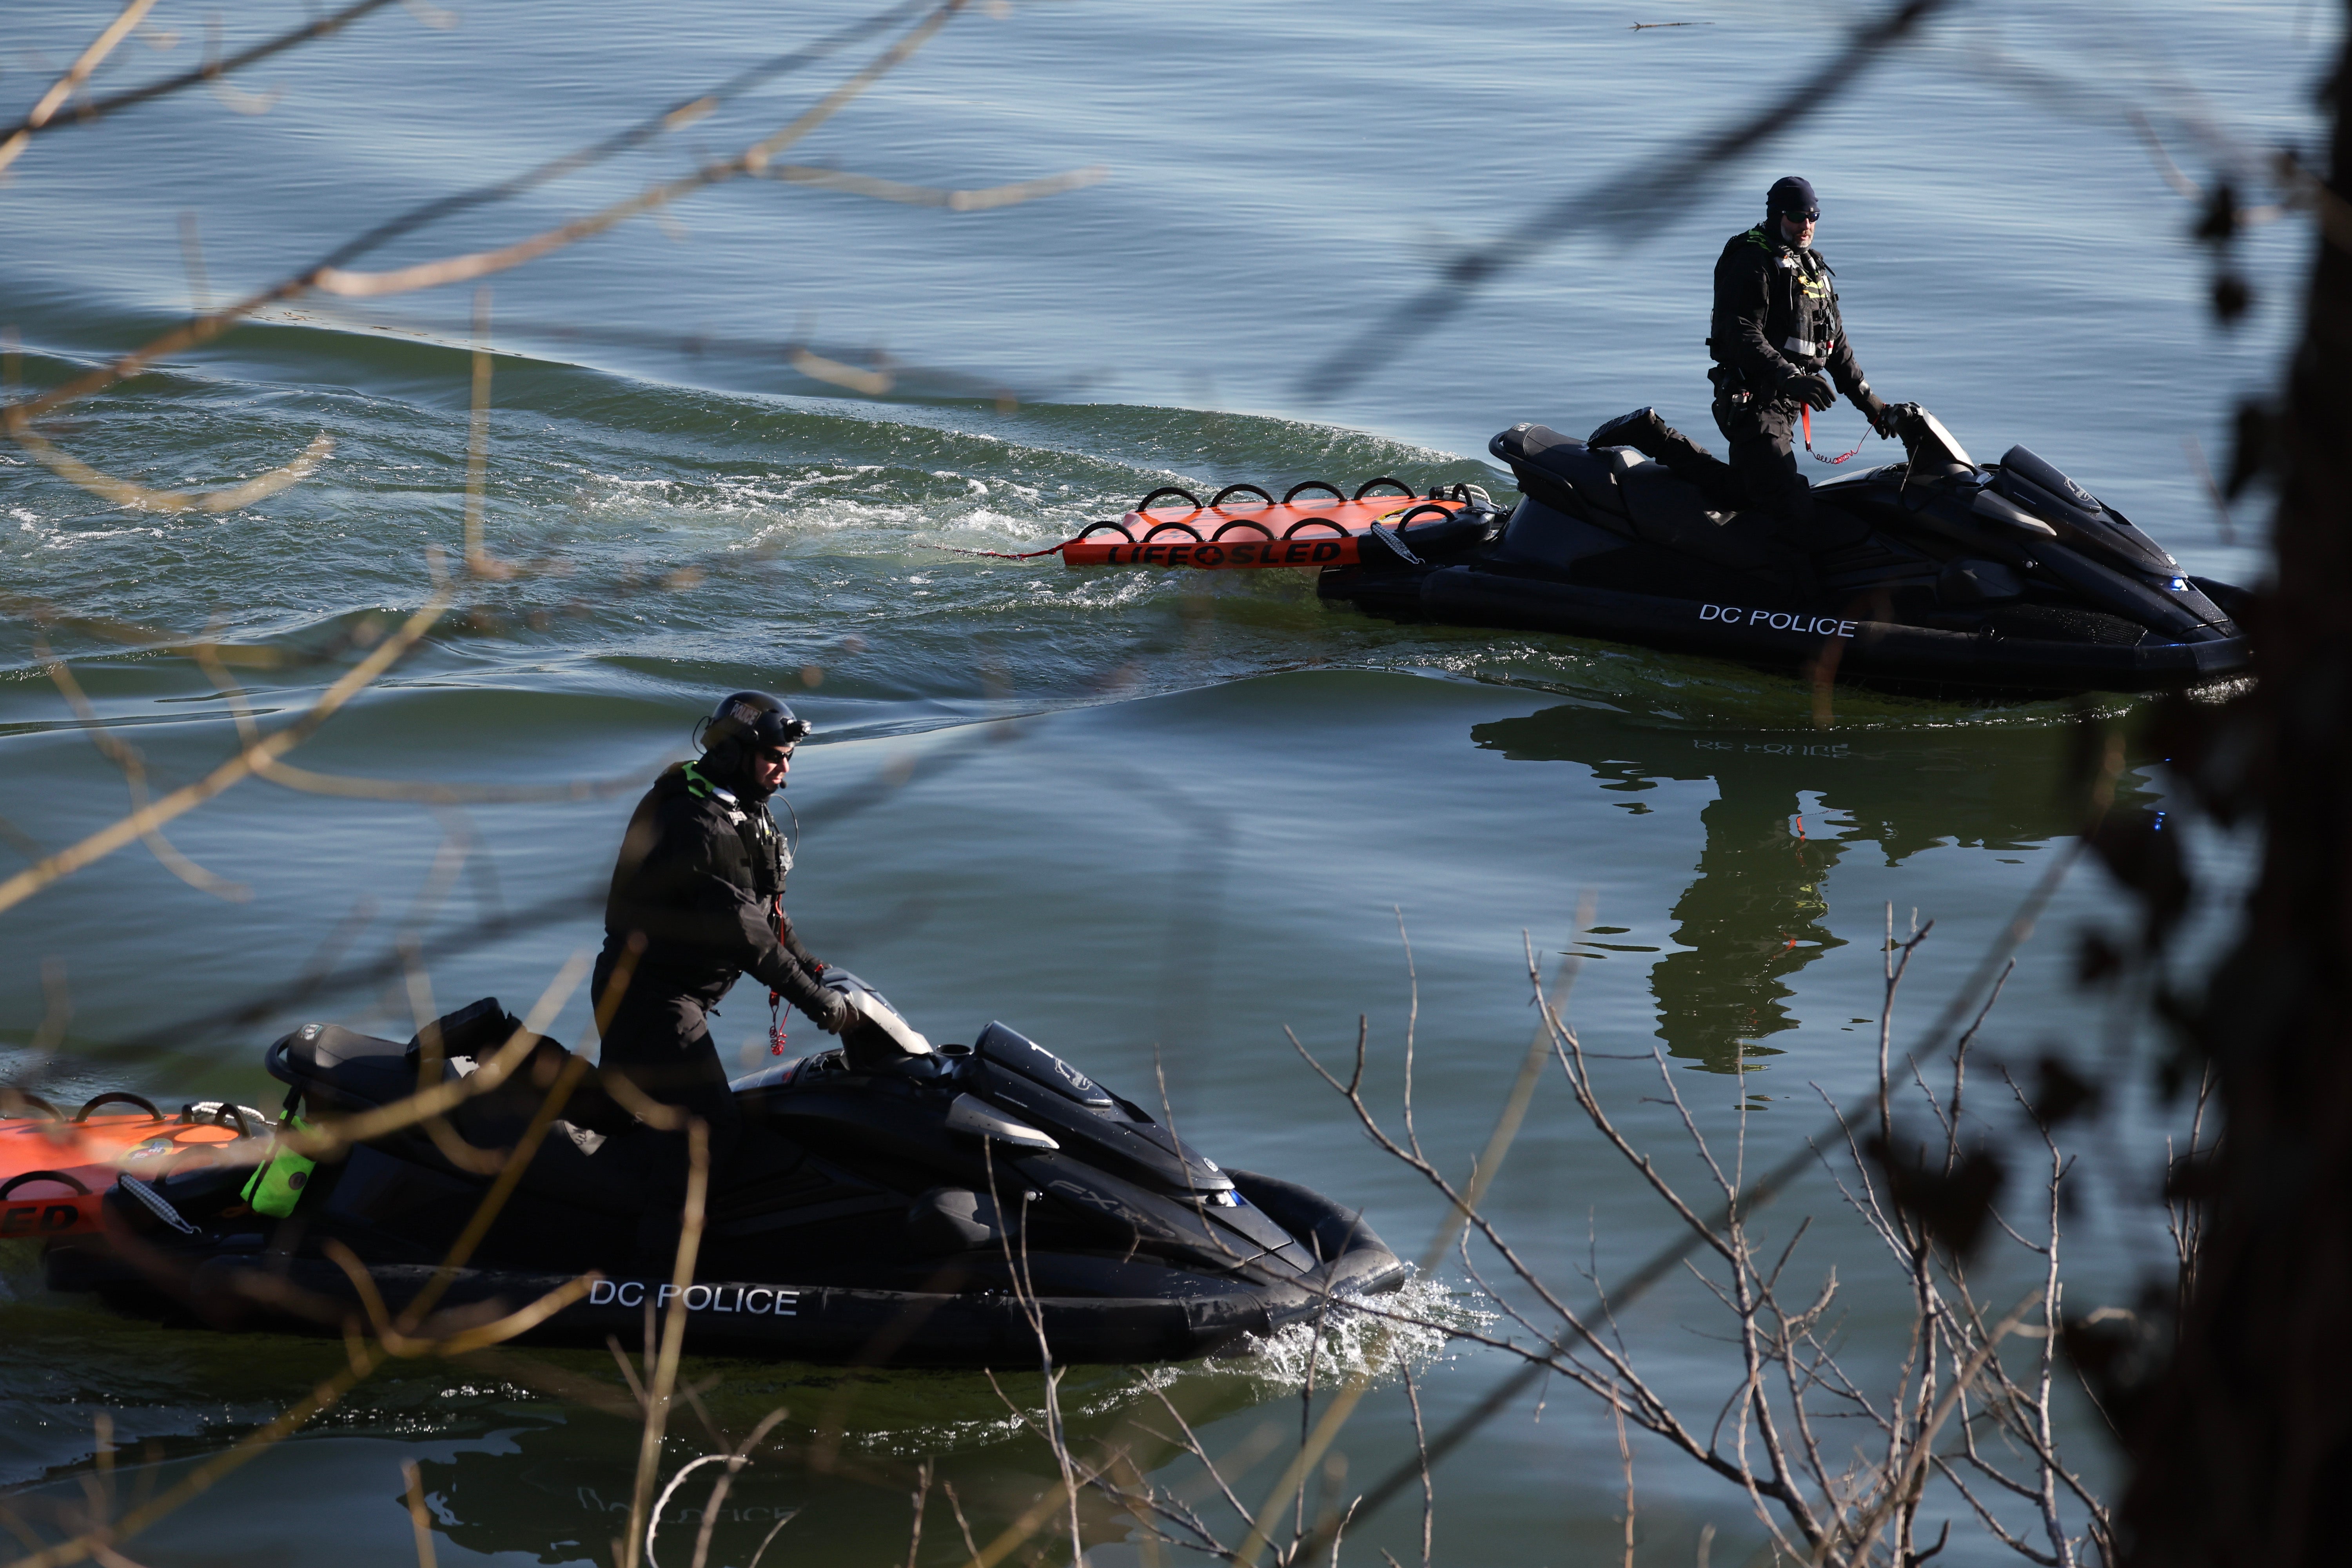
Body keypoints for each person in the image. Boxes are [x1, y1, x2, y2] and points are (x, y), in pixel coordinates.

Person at [593, 690, 855, 1263]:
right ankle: (659, 1267)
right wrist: (816, 1002)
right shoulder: (696, 824)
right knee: (708, 1125)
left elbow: (769, 919)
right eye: (773, 759)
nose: (784, 775)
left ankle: (498, 1038)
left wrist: (817, 970)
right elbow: (746, 937)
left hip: (665, 995)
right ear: (734, 751)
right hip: (648, 995)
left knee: (616, 1112)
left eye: (788, 760)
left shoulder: (737, 804)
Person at [1704, 175, 1900, 549]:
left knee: (1747, 491)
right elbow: (1740, 330)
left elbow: (1834, 343)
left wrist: (1872, 405)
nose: (1806, 225)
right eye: (1798, 217)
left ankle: (1659, 439)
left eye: (1813, 216)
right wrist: (1788, 376)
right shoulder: (1751, 259)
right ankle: (1789, 596)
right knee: (1790, 509)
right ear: (1778, 215)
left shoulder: (1809, 266)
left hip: (1788, 402)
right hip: (1755, 402)